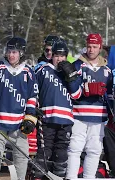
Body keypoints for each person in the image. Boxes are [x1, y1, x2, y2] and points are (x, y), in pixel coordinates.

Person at [0, 37, 38, 180]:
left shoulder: (28, 72)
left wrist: (29, 117)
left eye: (15, 52)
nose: (11, 55)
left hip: (18, 125)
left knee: (22, 156)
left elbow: (32, 97)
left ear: (21, 53)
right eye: (9, 51)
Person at [66, 33, 113, 179]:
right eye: (89, 46)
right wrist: (87, 89)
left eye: (94, 47)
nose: (91, 50)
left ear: (100, 47)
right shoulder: (78, 65)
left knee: (95, 150)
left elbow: (110, 96)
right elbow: (74, 94)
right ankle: (71, 177)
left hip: (99, 117)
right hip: (80, 114)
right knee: (74, 148)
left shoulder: (107, 69)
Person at [33, 40, 82, 179]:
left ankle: (58, 177)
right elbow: (32, 90)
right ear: (51, 56)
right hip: (47, 117)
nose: (59, 59)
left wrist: (71, 78)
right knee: (44, 152)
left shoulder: (72, 71)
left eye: (62, 56)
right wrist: (34, 107)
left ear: (66, 57)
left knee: (61, 154)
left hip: (65, 119)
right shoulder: (43, 70)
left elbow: (77, 95)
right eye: (56, 55)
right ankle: (39, 177)